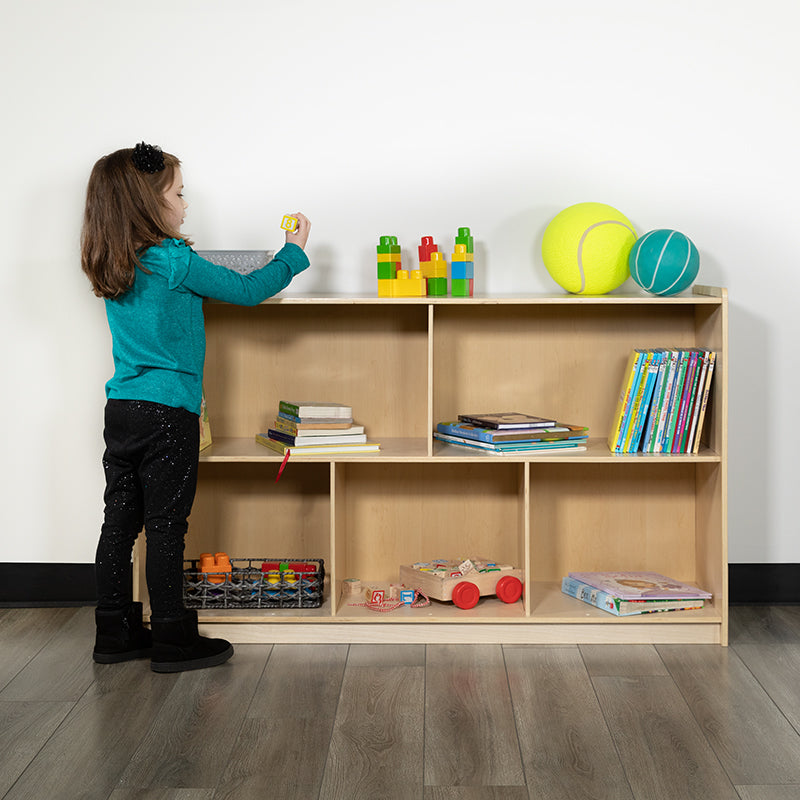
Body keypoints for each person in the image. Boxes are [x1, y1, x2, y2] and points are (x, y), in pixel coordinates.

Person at [81, 142, 310, 672]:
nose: (186, 205)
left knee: (119, 523)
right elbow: (250, 290)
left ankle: (113, 633)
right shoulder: (176, 261)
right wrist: (293, 249)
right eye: (179, 194)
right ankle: (173, 640)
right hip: (168, 413)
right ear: (147, 203)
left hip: (123, 409)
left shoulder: (112, 259)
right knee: (166, 526)